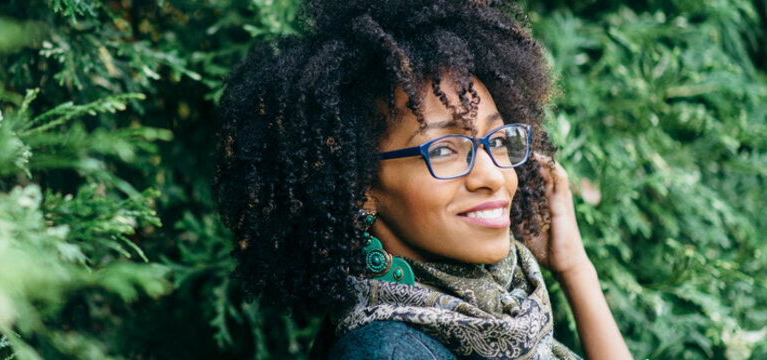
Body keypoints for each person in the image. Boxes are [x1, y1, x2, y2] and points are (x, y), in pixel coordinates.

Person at [214, 0, 633, 358]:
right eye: (444, 149)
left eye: (498, 139)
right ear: (362, 187)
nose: (492, 175)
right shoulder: (390, 352)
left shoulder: (499, 310)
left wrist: (575, 268)